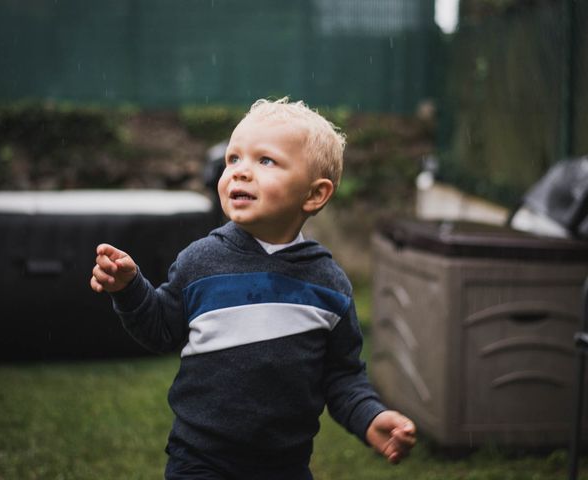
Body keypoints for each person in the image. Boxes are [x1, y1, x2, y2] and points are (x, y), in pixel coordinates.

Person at [90, 97, 416, 479]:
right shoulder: (200, 262)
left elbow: (342, 376)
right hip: (200, 460)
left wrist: (370, 416)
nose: (241, 172)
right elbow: (161, 328)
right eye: (233, 159)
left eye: (266, 161)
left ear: (314, 195)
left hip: (285, 466)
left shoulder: (329, 284)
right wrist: (130, 288)